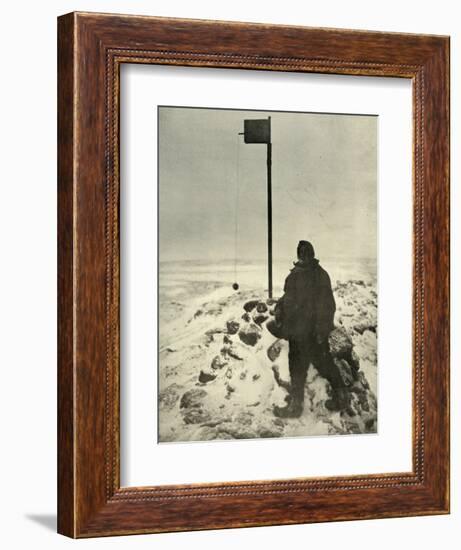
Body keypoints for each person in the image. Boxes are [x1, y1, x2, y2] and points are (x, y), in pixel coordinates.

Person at [272, 240, 349, 418]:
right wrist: (279, 307)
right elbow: (288, 297)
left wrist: (322, 330)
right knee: (297, 369)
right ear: (298, 254)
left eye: (307, 252)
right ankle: (295, 405)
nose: (304, 255)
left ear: (312, 254)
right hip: (296, 333)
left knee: (325, 364)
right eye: (301, 251)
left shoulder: (320, 275)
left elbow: (328, 305)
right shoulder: (295, 274)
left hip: (313, 333)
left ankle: (342, 397)